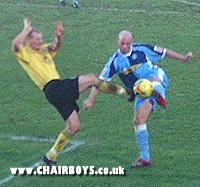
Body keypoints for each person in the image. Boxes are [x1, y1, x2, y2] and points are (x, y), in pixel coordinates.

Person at [11, 18, 130, 166]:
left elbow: (55, 46)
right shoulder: (25, 53)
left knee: (73, 127)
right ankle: (125, 92)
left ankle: (51, 156)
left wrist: (59, 36)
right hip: (53, 87)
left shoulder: (42, 50)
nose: (40, 42)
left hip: (54, 93)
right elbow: (15, 45)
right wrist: (25, 30)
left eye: (41, 39)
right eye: (36, 39)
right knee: (92, 79)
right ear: (28, 39)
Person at [83, 30, 193, 167]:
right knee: (138, 121)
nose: (124, 46)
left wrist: (183, 58)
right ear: (118, 41)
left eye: (127, 44)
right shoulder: (115, 61)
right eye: (122, 43)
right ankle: (145, 158)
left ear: (132, 42)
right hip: (140, 91)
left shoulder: (142, 49)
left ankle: (157, 93)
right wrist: (90, 99)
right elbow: (100, 81)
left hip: (156, 78)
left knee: (151, 80)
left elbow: (163, 52)